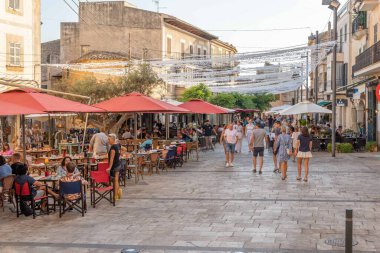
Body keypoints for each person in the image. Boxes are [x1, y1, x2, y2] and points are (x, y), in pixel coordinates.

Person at [106, 134, 121, 199]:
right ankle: (117, 192)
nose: (108, 141)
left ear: (112, 139)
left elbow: (111, 158)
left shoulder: (113, 147)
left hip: (114, 165)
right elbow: (122, 150)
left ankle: (115, 195)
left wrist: (109, 167)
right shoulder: (118, 145)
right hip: (118, 164)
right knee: (116, 180)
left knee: (115, 180)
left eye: (109, 139)